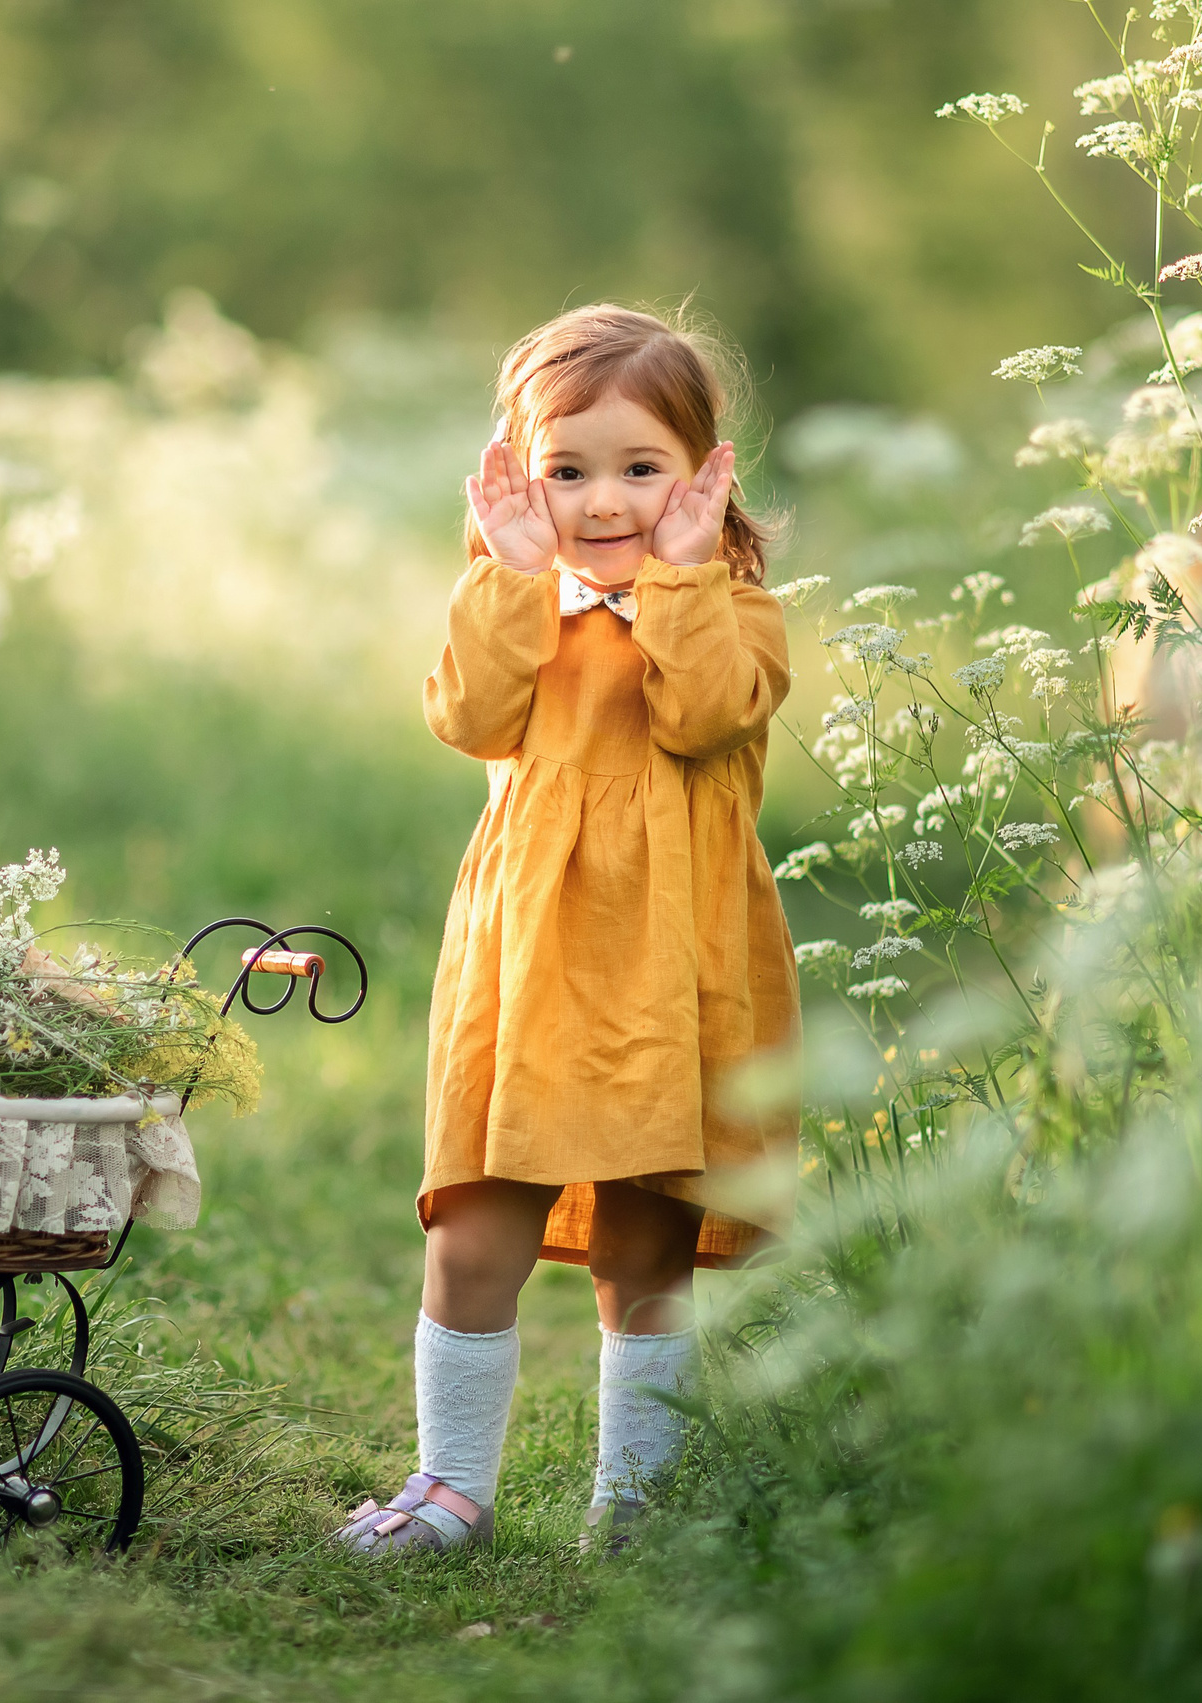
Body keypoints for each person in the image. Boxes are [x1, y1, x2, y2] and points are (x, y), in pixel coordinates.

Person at [335, 304, 801, 1558]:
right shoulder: (517, 604)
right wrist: (507, 570)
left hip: (669, 968)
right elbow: (469, 716)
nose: (603, 501)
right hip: (528, 957)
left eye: (640, 467)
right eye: (568, 468)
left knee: (644, 1246)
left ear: (702, 472)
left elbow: (706, 715)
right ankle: (452, 1487)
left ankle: (637, 1503)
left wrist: (686, 574)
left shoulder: (733, 612)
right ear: (523, 474)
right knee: (476, 1223)